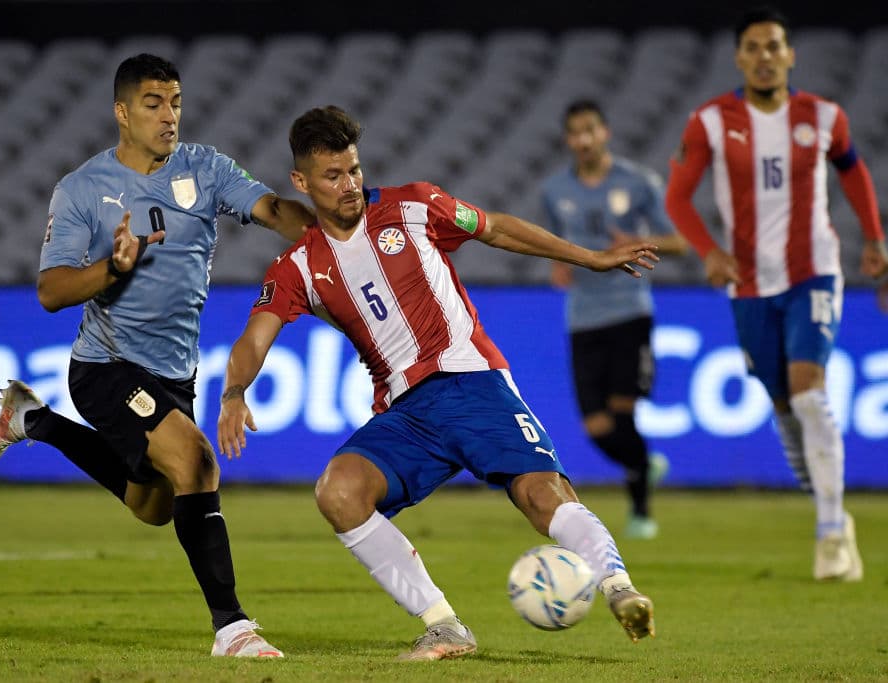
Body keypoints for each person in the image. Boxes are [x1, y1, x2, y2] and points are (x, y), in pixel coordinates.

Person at [217, 105, 660, 660]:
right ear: (301, 182)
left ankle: (619, 589)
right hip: (406, 413)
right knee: (339, 491)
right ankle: (445, 626)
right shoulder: (298, 266)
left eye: (354, 170)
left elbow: (496, 227)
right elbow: (254, 338)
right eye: (332, 176)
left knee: (538, 492)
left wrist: (589, 258)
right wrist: (233, 393)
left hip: (470, 381)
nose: (349, 185)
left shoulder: (414, 205)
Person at [0, 53, 315, 657]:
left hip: (174, 372)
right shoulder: (83, 188)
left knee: (153, 506)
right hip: (105, 366)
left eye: (176, 103)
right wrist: (113, 268)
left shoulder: (205, 168)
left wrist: (328, 230)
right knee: (197, 463)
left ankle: (34, 420)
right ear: (122, 111)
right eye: (153, 104)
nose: (169, 117)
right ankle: (232, 628)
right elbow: (51, 291)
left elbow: (272, 210)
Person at [665, 6, 888, 582]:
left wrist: (874, 237)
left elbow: (854, 172)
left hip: (815, 270)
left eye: (774, 46)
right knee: (783, 404)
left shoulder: (824, 116)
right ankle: (830, 506)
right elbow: (678, 198)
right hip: (749, 282)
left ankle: (830, 532)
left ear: (790, 54)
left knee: (808, 391)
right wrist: (709, 251)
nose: (764, 57)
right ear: (739, 58)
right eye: (753, 47)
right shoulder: (710, 122)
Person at [540, 99, 688, 540]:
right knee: (597, 427)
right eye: (575, 132)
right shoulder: (554, 190)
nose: (583, 140)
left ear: (604, 133)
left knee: (624, 415)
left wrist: (639, 241)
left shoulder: (637, 182)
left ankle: (641, 513)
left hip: (628, 311)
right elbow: (556, 239)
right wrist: (559, 263)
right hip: (583, 317)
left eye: (590, 130)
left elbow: (679, 242)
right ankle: (643, 464)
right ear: (568, 139)